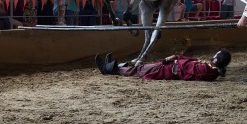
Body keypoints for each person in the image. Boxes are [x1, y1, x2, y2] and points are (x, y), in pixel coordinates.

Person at [95, 48, 231, 81]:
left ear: (217, 59)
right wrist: (176, 57)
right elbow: (191, 61)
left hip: (169, 69)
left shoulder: (206, 70)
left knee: (140, 70)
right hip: (169, 66)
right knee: (141, 67)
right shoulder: (209, 69)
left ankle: (109, 69)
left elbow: (186, 68)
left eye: (216, 55)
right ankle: (114, 66)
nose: (213, 55)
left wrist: (172, 60)